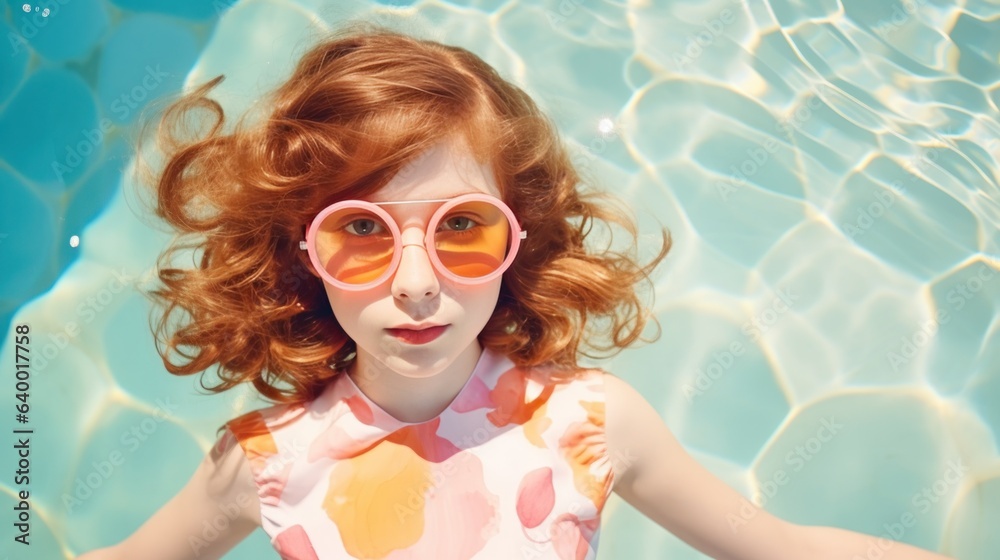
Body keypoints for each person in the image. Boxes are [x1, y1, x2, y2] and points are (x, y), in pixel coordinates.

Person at [78, 25, 956, 560]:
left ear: (519, 235)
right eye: (361, 232)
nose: (416, 284)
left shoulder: (590, 423)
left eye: (462, 227)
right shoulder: (266, 463)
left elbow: (786, 549)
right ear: (302, 253)